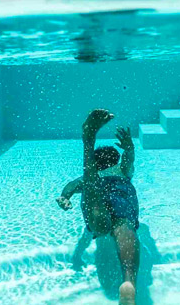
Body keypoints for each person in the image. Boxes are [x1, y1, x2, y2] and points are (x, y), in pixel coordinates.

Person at [56, 109, 139, 305]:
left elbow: (70, 186)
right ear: (115, 158)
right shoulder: (120, 169)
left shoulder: (91, 176)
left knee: (94, 203)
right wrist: (129, 149)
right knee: (123, 225)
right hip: (121, 193)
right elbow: (129, 162)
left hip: (96, 190)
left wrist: (65, 196)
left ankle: (87, 142)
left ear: (97, 161)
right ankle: (129, 281)